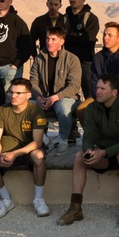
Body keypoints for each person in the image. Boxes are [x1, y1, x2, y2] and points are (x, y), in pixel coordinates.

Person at [57, 73, 119, 229]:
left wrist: (103, 153)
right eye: (97, 88)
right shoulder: (91, 108)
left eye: (103, 88)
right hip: (103, 153)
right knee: (79, 156)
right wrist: (89, 150)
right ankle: (75, 207)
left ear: (114, 92)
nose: (98, 91)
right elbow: (88, 136)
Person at [0, 78, 50, 219]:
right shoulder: (2, 110)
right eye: (11, 92)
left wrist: (15, 153)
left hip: (28, 148)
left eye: (19, 93)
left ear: (28, 95)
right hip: (8, 146)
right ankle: (6, 199)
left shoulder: (36, 111)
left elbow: (37, 142)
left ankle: (38, 199)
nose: (13, 96)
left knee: (38, 156)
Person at [29, 26, 81, 155]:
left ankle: (63, 139)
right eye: (47, 38)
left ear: (62, 41)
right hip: (44, 97)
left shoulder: (72, 59)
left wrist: (56, 97)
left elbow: (74, 85)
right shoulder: (39, 58)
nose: (49, 42)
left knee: (64, 110)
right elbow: (33, 82)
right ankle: (44, 138)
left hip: (65, 97)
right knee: (28, 108)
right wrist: (39, 97)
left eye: (53, 39)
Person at [64, 0, 100, 99]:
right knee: (66, 93)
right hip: (67, 61)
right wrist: (77, 36)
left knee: (90, 93)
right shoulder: (64, 18)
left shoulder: (91, 18)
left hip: (86, 61)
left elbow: (87, 40)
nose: (72, 0)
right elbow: (60, 38)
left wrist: (68, 37)